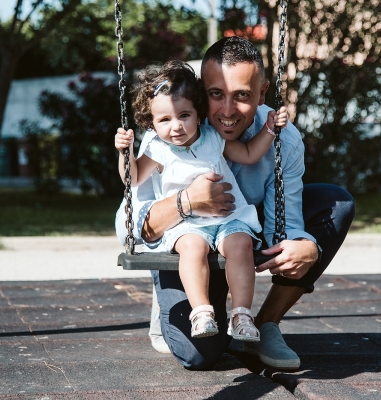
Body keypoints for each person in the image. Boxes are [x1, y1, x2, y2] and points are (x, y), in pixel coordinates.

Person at [115, 36, 355, 370]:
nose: (227, 110)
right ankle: (184, 294)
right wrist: (187, 202)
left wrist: (304, 246)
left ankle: (262, 323)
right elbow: (129, 220)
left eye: (242, 96)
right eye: (216, 95)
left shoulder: (282, 138)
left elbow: (284, 218)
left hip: (237, 230)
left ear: (262, 93)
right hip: (187, 238)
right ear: (201, 92)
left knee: (336, 203)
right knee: (200, 355)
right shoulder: (170, 131)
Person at [115, 60, 287, 342]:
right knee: (192, 249)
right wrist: (125, 153)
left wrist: (269, 130)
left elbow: (247, 154)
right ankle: (202, 312)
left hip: (227, 218)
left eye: (184, 115)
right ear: (152, 122)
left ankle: (242, 315)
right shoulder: (158, 149)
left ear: (198, 113)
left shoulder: (212, 137)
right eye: (164, 120)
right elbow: (132, 178)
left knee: (242, 245)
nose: (176, 127)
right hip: (188, 224)